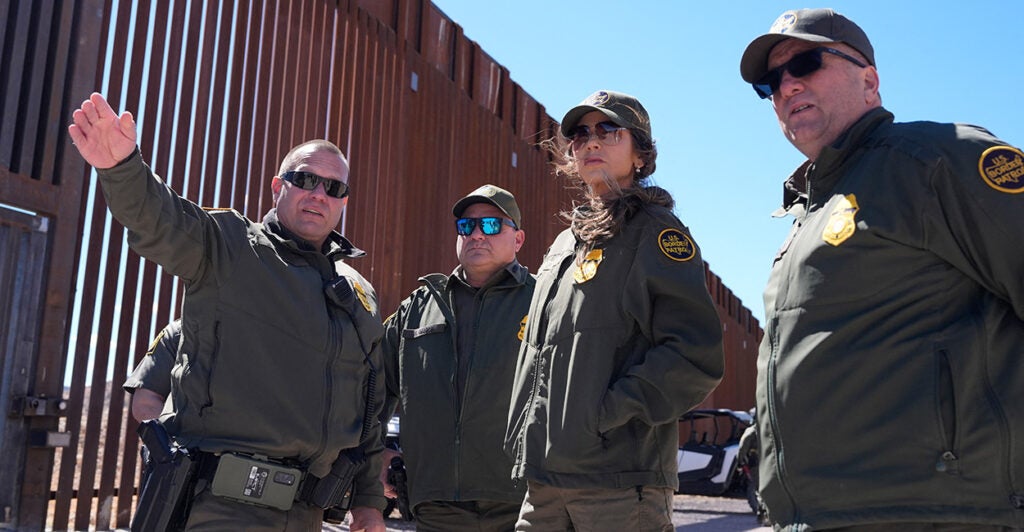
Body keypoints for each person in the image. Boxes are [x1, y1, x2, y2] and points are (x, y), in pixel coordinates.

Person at [740, 8, 1024, 531]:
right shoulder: (807, 212)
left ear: (869, 80)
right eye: (770, 81)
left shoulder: (937, 160)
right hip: (813, 517)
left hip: (934, 512)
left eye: (805, 62)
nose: (787, 84)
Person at [68, 93, 387, 531]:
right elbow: (161, 221)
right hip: (222, 507)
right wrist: (123, 169)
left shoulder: (358, 295)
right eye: (305, 179)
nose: (319, 194)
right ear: (278, 187)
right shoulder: (232, 247)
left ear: (344, 202)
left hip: (308, 515)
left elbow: (368, 407)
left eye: (334, 188)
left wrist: (369, 503)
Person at [504, 90, 725, 531]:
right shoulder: (564, 244)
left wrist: (604, 415)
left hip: (618, 484)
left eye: (608, 130)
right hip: (544, 483)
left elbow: (694, 354)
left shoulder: (657, 233)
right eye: (580, 134)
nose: (591, 141)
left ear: (640, 155)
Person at [379, 184, 534, 531]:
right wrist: (381, 448)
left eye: (492, 225)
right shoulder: (417, 309)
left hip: (523, 504)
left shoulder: (544, 304)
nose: (477, 234)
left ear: (518, 239)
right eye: (466, 226)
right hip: (437, 505)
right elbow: (373, 385)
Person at [124, 319, 180, 423]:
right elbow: (145, 405)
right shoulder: (178, 333)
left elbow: (145, 405)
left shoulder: (178, 331)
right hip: (187, 437)